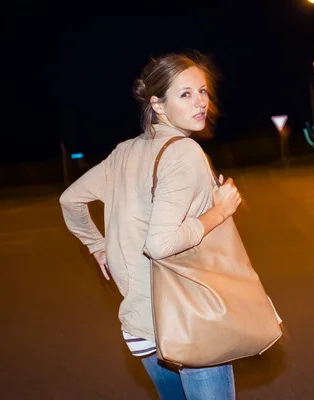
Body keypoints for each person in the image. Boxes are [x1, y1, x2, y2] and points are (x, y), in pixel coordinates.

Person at [59, 52, 242, 399]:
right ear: (158, 105)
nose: (200, 102)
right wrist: (219, 211)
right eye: (185, 94)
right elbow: (159, 243)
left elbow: (70, 200)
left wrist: (97, 246)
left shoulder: (124, 152)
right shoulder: (185, 152)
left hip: (140, 327)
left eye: (202, 92)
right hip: (188, 320)